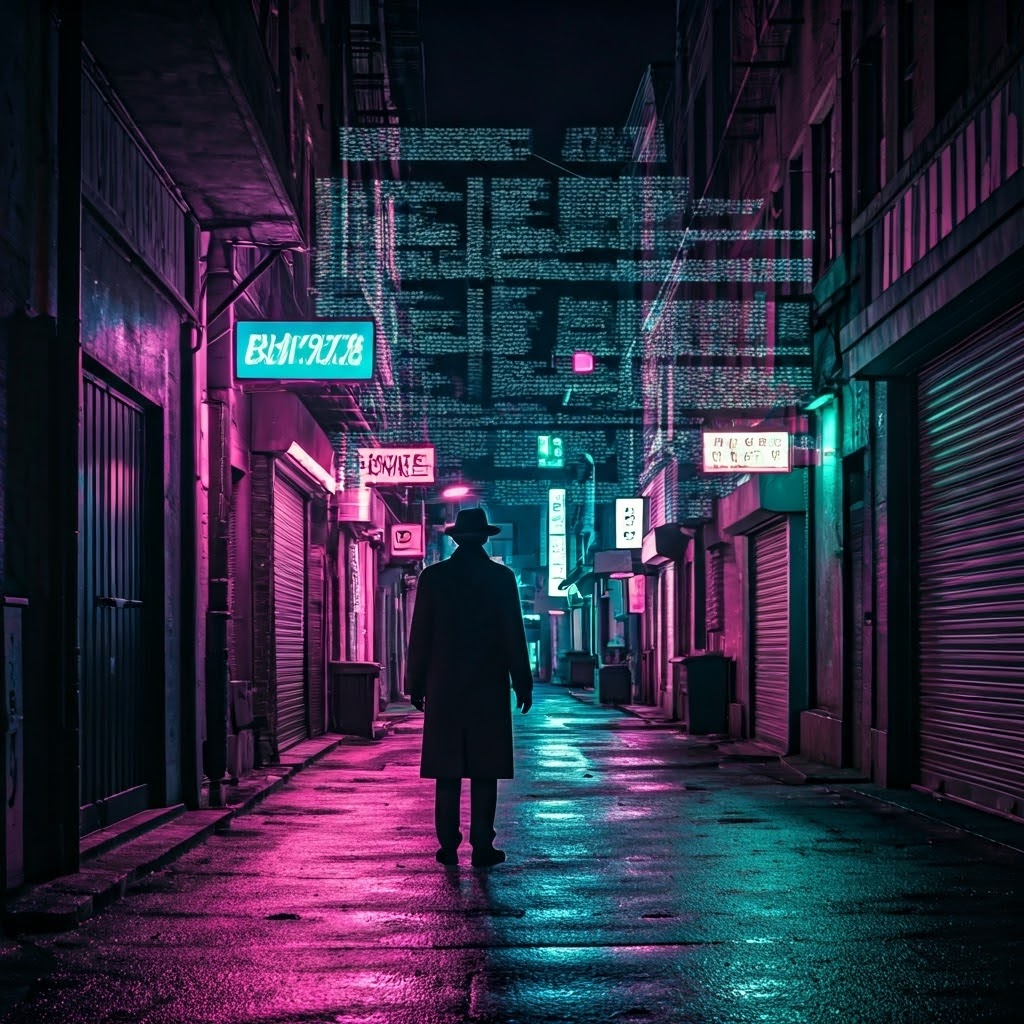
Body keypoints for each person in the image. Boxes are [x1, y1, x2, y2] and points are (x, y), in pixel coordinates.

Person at [406, 507, 533, 867]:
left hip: (443, 686)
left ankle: (447, 845)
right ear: (485, 539)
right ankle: (482, 845)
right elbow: (513, 635)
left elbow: (421, 636)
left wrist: (414, 682)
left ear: (456, 540)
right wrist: (521, 682)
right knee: (484, 769)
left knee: (446, 771)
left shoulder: (434, 578)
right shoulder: (501, 578)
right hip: (487, 686)